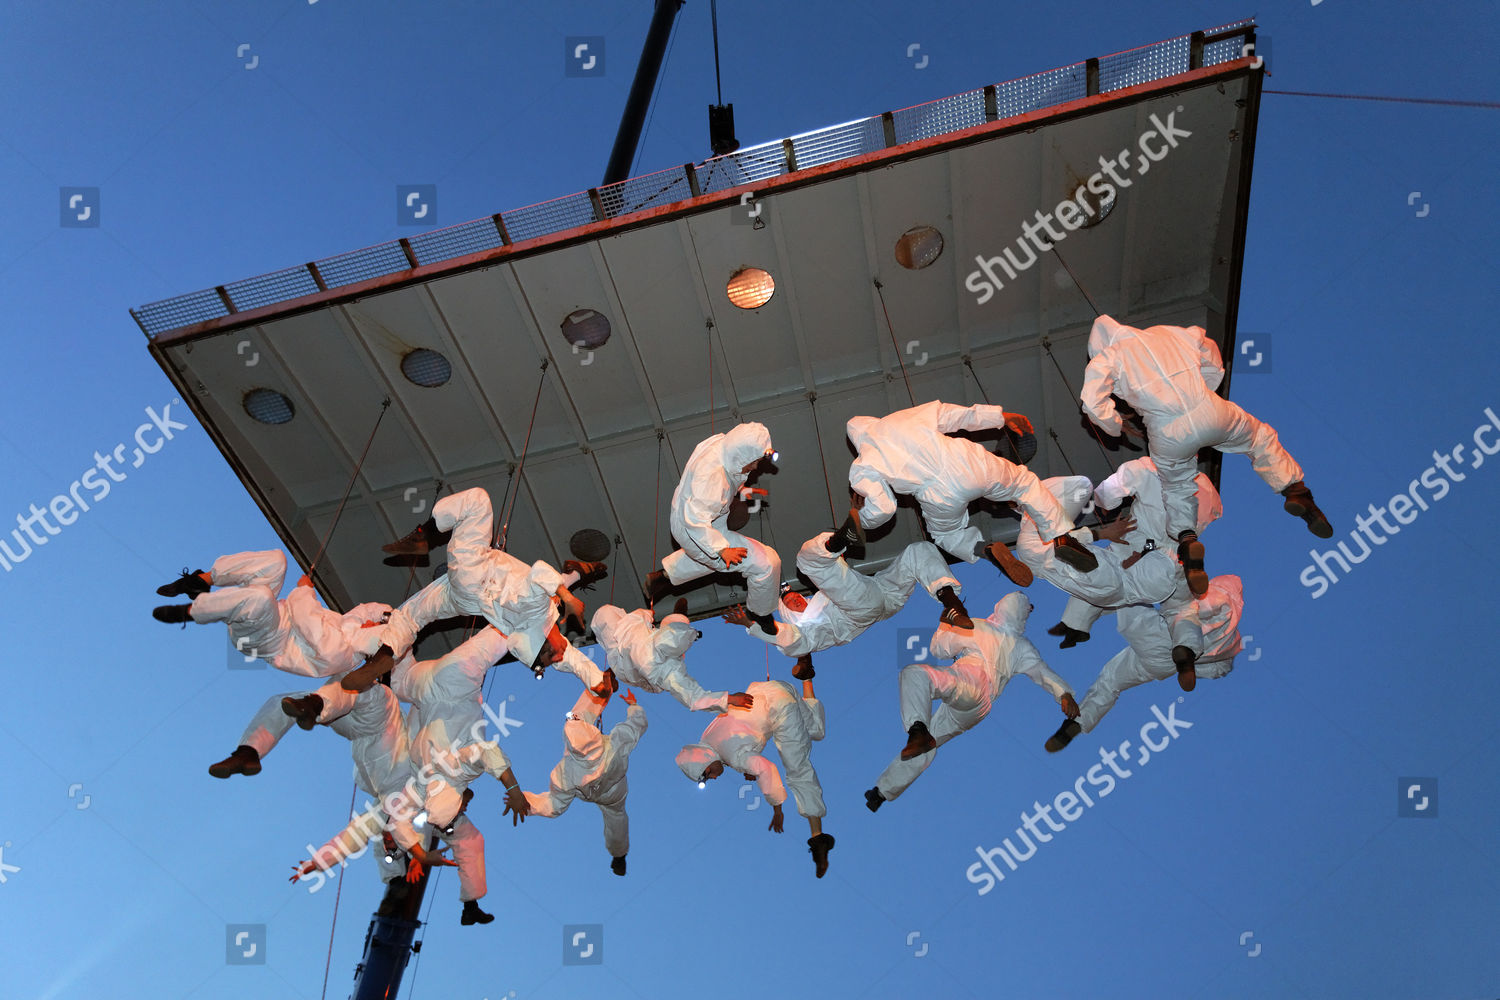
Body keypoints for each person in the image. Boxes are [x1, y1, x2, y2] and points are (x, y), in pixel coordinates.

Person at [1080, 314, 1331, 596]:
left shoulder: (1109, 358)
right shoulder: (1168, 331)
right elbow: (1210, 352)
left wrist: (1115, 427)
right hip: (1210, 409)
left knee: (1176, 488)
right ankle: (1295, 491)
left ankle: (1187, 541)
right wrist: (1206, 388)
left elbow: (1091, 401)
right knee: (1259, 437)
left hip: (1166, 430)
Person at [341, 487, 611, 694]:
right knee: (412, 615)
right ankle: (386, 654)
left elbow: (540, 571)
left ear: (544, 644)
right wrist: (596, 679)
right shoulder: (524, 633)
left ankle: (425, 535)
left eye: (555, 654)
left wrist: (568, 597)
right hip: (465, 601)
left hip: (477, 573)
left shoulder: (537, 614)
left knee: (477, 501)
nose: (563, 650)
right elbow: (569, 658)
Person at [845, 400, 1097, 583]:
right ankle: (1062, 537)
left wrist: (861, 517)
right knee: (1025, 483)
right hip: (966, 462)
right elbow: (954, 416)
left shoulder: (862, 465)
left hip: (936, 495)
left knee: (945, 534)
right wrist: (1000, 417)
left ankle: (984, 550)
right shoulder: (902, 418)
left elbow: (884, 509)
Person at [865, 593, 1077, 810]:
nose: (1030, 610)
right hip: (977, 707)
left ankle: (917, 730)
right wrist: (1064, 694)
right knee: (929, 743)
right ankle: (882, 791)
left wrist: (944, 626)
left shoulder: (988, 631)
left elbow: (939, 649)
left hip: (971, 684)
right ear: (1017, 606)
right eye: (1029, 606)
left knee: (915, 674)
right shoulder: (1007, 640)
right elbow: (1043, 673)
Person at [723, 528, 973, 680]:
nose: (797, 598)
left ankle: (951, 604)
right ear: (790, 616)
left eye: (796, 596)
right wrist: (754, 624)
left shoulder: (819, 598)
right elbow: (787, 639)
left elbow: (839, 584)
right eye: (792, 603)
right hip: (857, 611)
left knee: (918, 551)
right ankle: (839, 539)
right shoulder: (808, 631)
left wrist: (836, 564)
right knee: (806, 562)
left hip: (884, 594)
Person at [1045, 575, 1245, 752]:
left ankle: (1077, 624)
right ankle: (1076, 724)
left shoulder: (1216, 595)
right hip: (1163, 664)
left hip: (1161, 637)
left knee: (1124, 588)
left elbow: (1198, 606)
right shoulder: (1232, 640)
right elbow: (1220, 669)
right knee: (1113, 680)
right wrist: (1192, 667)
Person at [1048, 456, 1222, 648]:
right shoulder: (1208, 490)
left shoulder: (1146, 466)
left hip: (1137, 544)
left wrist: (1101, 503)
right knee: (1113, 591)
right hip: (1168, 557)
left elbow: (1108, 492)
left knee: (1106, 579)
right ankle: (1075, 626)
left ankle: (1078, 615)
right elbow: (1207, 517)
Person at [675, 678, 835, 878]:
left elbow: (766, 768)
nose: (714, 778)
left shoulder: (733, 757)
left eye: (708, 774)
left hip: (780, 708)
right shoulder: (707, 737)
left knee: (797, 769)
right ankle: (807, 674)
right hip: (769, 688)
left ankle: (818, 837)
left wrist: (777, 809)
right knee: (816, 730)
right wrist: (747, 760)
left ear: (706, 759)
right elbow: (742, 733)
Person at [153, 551, 391, 677]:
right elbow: (363, 611)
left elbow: (306, 620)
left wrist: (305, 590)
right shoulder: (348, 625)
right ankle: (200, 581)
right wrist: (382, 615)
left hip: (268, 641)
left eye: (375, 625)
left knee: (261, 598)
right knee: (276, 562)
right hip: (277, 613)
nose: (371, 621)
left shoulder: (343, 654)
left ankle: (192, 612)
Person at [643, 422, 783, 636]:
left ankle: (662, 578)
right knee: (766, 563)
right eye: (754, 462)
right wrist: (721, 549)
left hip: (704, 514)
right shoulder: (713, 479)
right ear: (741, 456)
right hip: (693, 529)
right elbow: (695, 520)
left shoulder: (723, 444)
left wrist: (743, 489)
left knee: (721, 560)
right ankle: (760, 613)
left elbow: (726, 476)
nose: (755, 468)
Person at [513, 688, 647, 876]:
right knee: (617, 820)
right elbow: (637, 724)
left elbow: (554, 805)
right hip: (613, 794)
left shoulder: (566, 771)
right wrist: (633, 705)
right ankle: (619, 856)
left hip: (593, 792)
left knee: (616, 820)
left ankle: (619, 855)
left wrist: (525, 803)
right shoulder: (616, 744)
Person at [591, 600, 752, 712]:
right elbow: (693, 697)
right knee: (605, 616)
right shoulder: (672, 667)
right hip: (628, 668)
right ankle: (611, 674)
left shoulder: (654, 642)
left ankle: (611, 674)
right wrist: (730, 699)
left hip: (625, 655)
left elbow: (693, 696)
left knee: (604, 614)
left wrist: (648, 614)